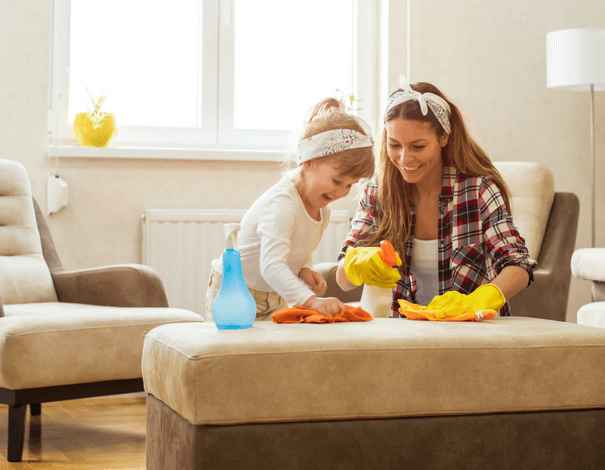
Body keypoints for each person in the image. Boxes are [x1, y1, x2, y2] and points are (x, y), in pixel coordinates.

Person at [336, 77, 537, 317]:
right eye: (395, 145)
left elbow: (518, 265)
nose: (404, 158)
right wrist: (354, 264)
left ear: (444, 137)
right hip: (401, 334)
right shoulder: (378, 191)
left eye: (418, 146)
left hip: (468, 333)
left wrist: (481, 299)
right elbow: (343, 280)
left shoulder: (478, 190)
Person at [206, 98, 375, 321]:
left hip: (274, 294)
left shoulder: (322, 209)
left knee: (273, 354)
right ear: (308, 161)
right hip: (235, 291)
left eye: (350, 185)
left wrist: (304, 269)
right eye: (337, 180)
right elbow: (272, 266)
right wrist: (312, 301)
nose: (342, 192)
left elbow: (299, 247)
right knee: (231, 353)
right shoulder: (282, 204)